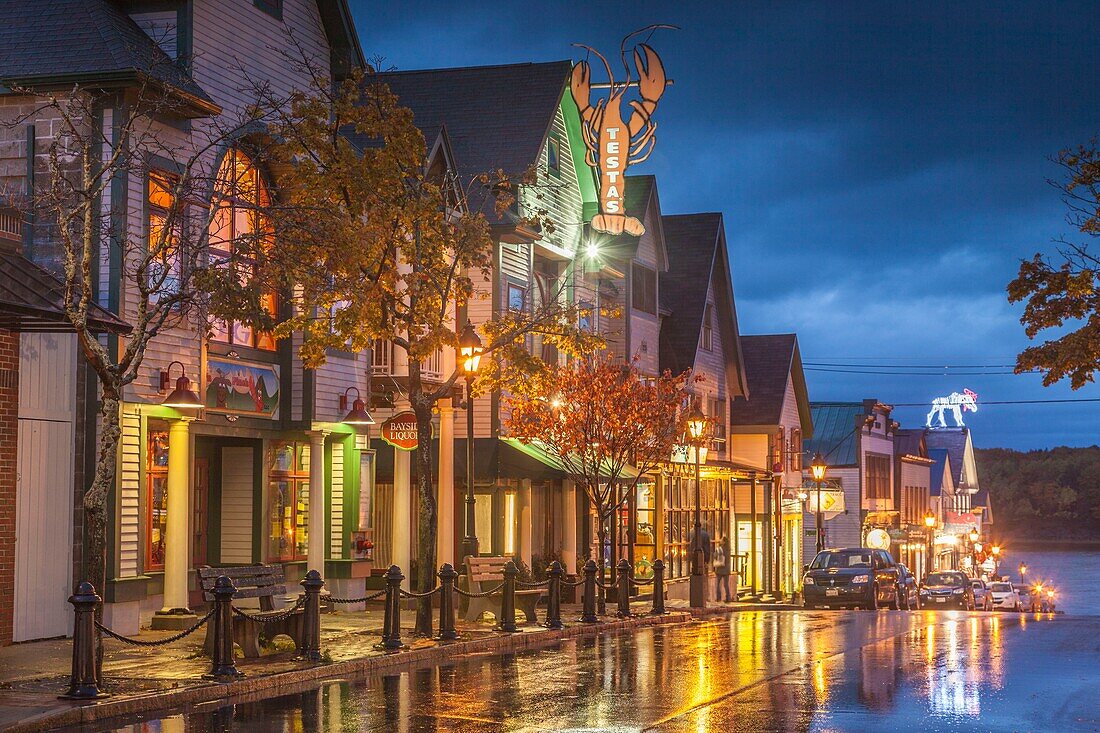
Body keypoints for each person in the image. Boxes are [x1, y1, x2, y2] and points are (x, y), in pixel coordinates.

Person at [713, 532, 732, 602]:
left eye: (721, 540)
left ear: (723, 542)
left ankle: (718, 597)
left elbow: (715, 556)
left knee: (717, 584)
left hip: (720, 569)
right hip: (727, 569)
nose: (720, 540)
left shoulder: (720, 549)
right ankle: (728, 597)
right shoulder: (728, 549)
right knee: (726, 584)